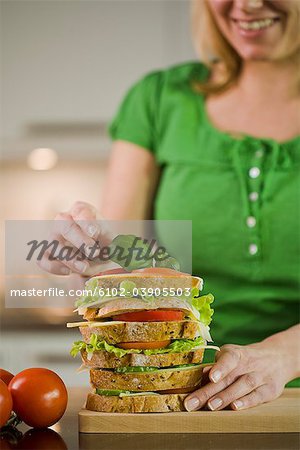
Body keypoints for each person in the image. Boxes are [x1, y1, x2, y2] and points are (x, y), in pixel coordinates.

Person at [39, 0, 300, 411]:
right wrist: (88, 257)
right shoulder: (159, 99)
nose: (248, 4)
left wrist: (286, 354)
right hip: (183, 401)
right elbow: (120, 269)